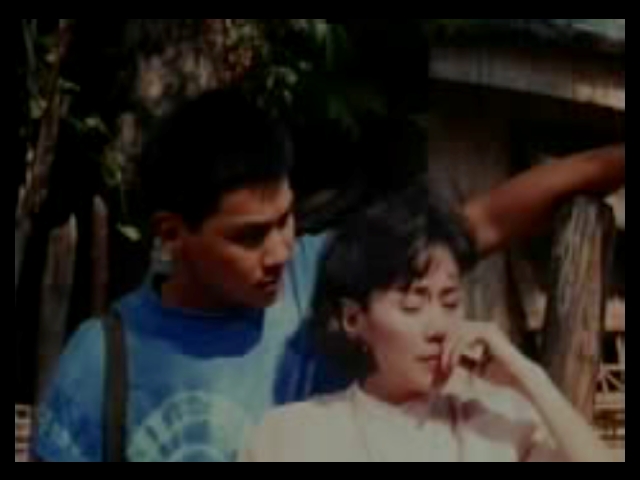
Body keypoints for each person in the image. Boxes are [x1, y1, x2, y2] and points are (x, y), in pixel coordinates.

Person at [35, 88, 624, 462]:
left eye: (287, 219)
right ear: (171, 233)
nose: (279, 249)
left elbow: (484, 221)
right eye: (250, 236)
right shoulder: (103, 363)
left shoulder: (316, 276)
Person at [240, 187, 614, 462]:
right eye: (412, 305)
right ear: (353, 319)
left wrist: (529, 376)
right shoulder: (292, 436)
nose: (439, 326)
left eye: (450, 302)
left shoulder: (498, 425)